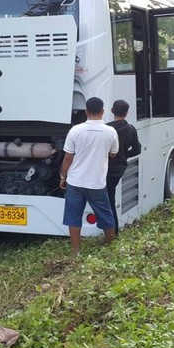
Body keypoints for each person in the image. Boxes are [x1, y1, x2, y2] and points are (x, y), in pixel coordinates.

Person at [59, 97, 119, 254]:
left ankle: (76, 250)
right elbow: (113, 154)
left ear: (86, 111)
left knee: (74, 216)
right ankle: (110, 245)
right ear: (103, 111)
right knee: (106, 214)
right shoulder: (110, 131)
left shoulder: (75, 130)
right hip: (97, 183)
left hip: (75, 181)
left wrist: (63, 177)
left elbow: (68, 157)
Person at [106, 100, 142, 236]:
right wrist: (125, 154)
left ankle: (112, 231)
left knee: (108, 199)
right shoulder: (131, 129)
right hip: (120, 168)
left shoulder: (107, 129)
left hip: (106, 168)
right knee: (110, 197)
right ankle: (112, 230)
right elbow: (137, 149)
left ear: (111, 110)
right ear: (126, 113)